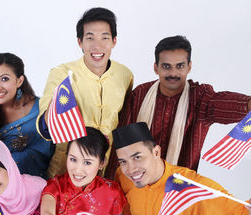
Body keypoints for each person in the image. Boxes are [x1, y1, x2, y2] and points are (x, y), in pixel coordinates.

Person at [107, 35, 251, 177]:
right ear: (156, 68)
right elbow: (121, 144)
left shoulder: (199, 98)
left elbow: (229, 105)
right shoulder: (140, 95)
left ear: (189, 67)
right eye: (166, 66)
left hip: (177, 190)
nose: (173, 73)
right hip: (135, 186)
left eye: (180, 66)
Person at [112, 122, 251, 215]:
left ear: (156, 152)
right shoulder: (122, 175)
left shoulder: (195, 188)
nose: (130, 169)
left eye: (137, 157)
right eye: (123, 161)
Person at [36, 7, 133, 178]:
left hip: (106, 173)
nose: (97, 46)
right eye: (90, 38)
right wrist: (51, 115)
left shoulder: (125, 75)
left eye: (105, 38)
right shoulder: (61, 74)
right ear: (80, 42)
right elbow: (44, 125)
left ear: (114, 41)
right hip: (65, 173)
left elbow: (124, 120)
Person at [41, 127, 127, 215]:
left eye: (87, 162)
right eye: (73, 159)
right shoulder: (56, 186)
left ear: (102, 163)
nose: (78, 169)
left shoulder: (112, 192)